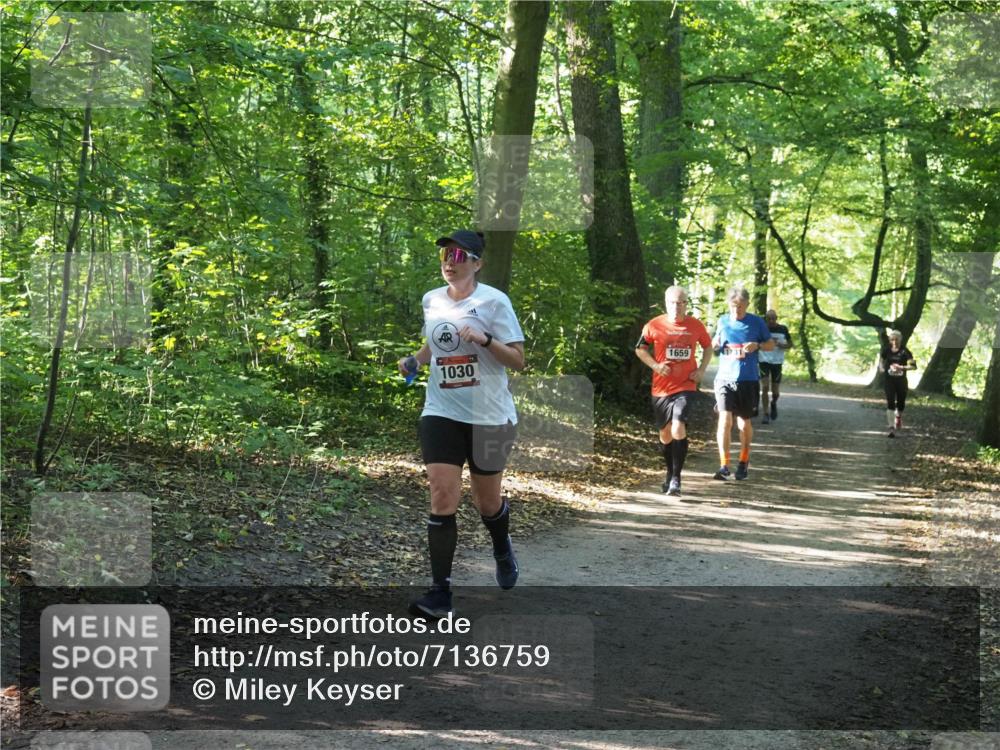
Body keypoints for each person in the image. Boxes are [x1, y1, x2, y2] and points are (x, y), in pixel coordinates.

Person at [397, 230, 526, 619]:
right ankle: (440, 595)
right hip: (441, 411)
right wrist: (416, 361)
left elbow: (518, 360)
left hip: (489, 416)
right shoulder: (432, 300)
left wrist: (486, 341)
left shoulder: (494, 302)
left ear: (477, 263)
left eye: (457, 254)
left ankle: (501, 546)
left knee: (486, 502)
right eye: (443, 255)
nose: (448, 261)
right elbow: (436, 342)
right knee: (442, 497)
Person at [635, 286, 713, 497]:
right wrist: (656, 366)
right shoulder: (654, 325)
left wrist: (701, 370)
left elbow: (708, 347)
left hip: (686, 385)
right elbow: (640, 349)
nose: (677, 307)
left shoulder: (695, 325)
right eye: (673, 303)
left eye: (681, 303)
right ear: (666, 303)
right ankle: (669, 473)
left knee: (678, 426)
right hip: (661, 388)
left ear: (686, 304)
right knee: (665, 434)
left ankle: (677, 480)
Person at [711, 286, 774, 481]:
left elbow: (771, 345)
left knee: (742, 423)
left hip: (747, 379)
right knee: (724, 420)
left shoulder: (756, 323)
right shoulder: (722, 321)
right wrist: (714, 344)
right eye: (732, 306)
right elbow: (714, 345)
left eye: (740, 307)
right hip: (724, 378)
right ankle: (724, 465)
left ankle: (743, 461)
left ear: (747, 304)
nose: (736, 311)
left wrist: (758, 345)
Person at [879, 329, 916, 438]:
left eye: (896, 339)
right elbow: (881, 360)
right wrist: (881, 368)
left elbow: (913, 366)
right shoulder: (887, 350)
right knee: (890, 402)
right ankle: (891, 428)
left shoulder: (905, 351)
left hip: (901, 381)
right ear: (890, 340)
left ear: (900, 339)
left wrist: (901, 367)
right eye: (892, 339)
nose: (894, 342)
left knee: (901, 402)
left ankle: (898, 417)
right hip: (889, 380)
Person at [758, 309, 793, 424]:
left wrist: (781, 345)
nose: (772, 321)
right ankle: (766, 413)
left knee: (775, 392)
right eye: (769, 318)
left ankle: (773, 403)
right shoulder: (761, 329)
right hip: (764, 360)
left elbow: (790, 344)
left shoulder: (783, 329)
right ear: (766, 319)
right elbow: (755, 343)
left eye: (774, 318)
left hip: (777, 362)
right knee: (764, 387)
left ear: (777, 318)